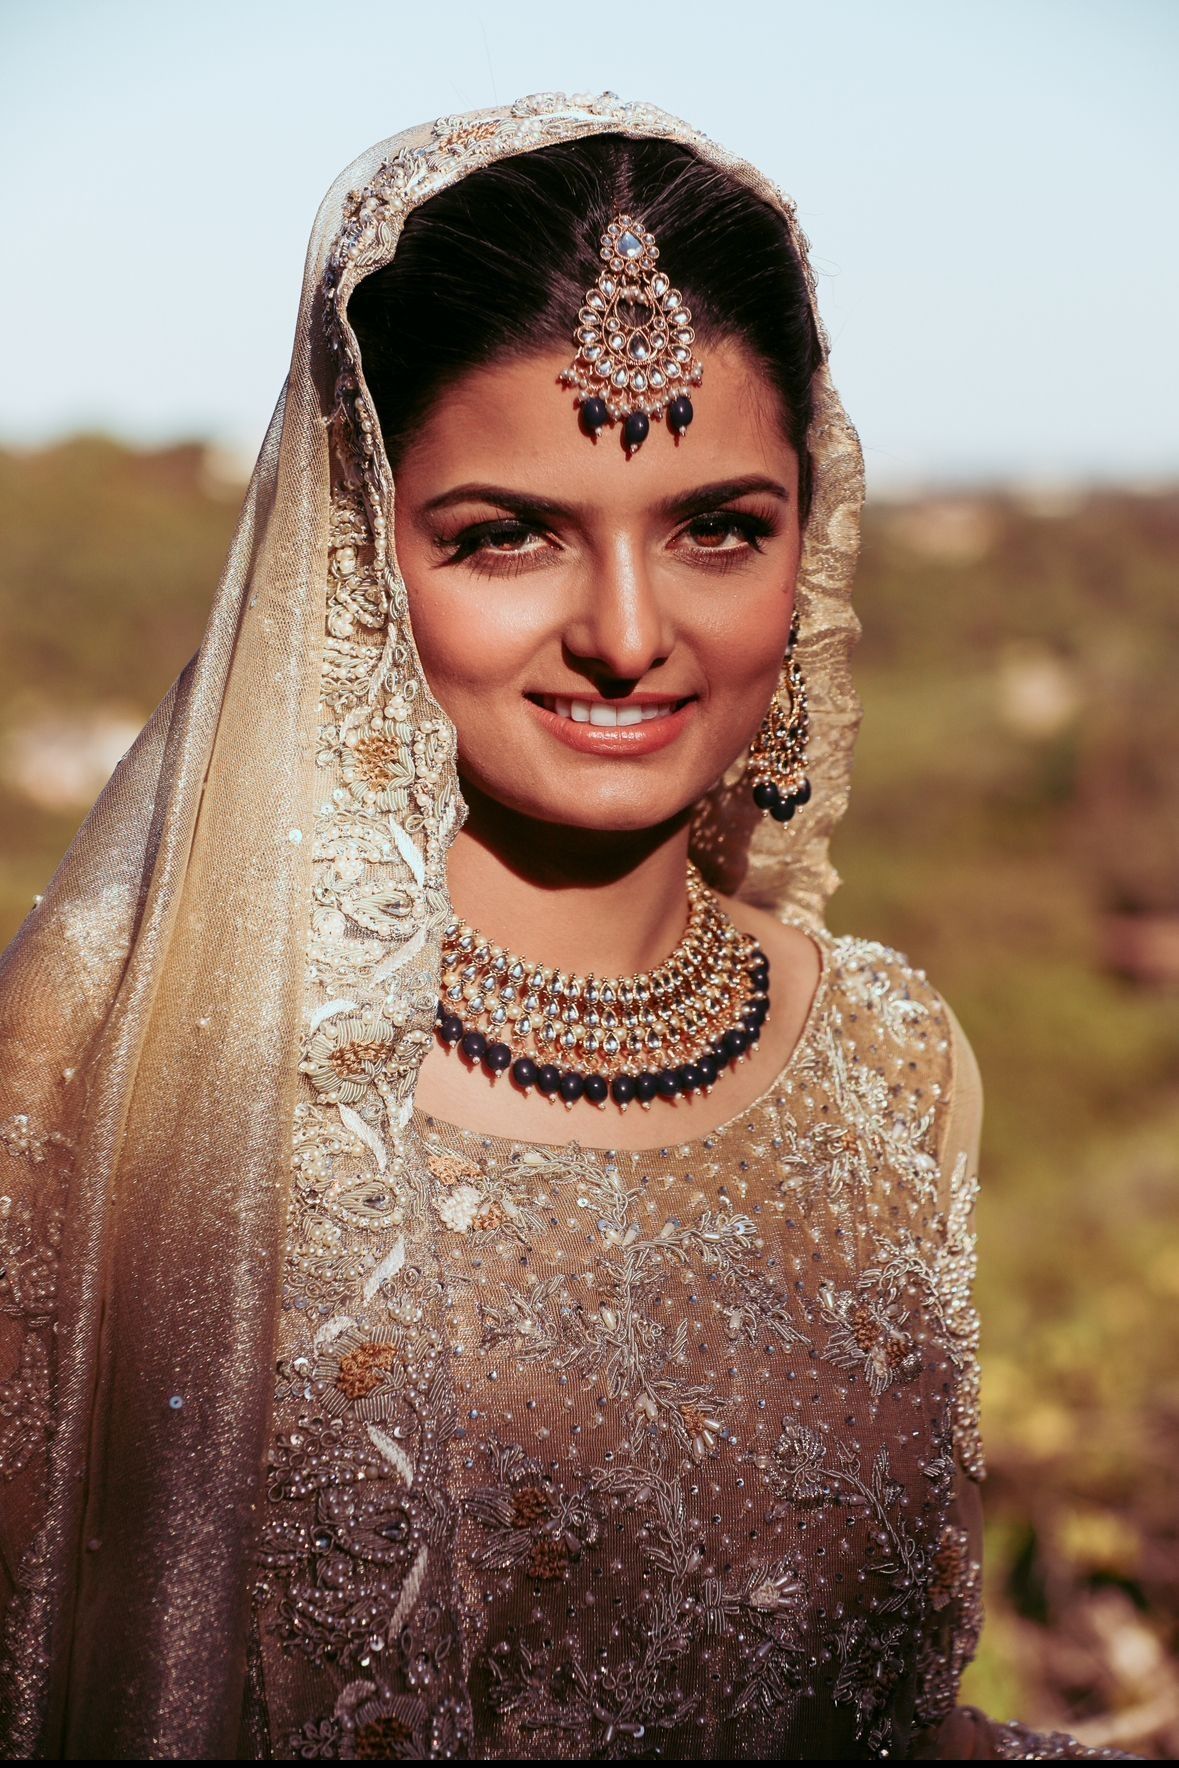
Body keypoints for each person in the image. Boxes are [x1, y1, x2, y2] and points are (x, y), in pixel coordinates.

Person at [0, 95, 1134, 1760]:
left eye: (719, 529)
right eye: (506, 536)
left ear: (807, 544)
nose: (624, 633)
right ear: (356, 557)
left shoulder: (893, 1064)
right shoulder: (129, 1073)